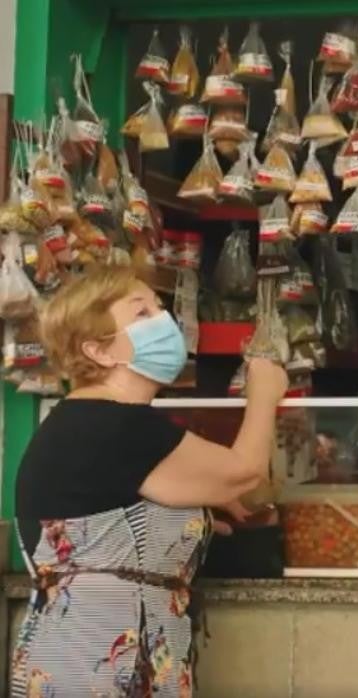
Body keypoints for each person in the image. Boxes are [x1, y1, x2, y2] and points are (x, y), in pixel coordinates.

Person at [10, 265, 288, 696]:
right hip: (93, 665)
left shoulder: (95, 422)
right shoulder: (113, 425)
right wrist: (264, 395)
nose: (164, 323)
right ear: (99, 351)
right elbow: (244, 473)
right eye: (141, 314)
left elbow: (127, 517)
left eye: (160, 309)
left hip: (100, 658)